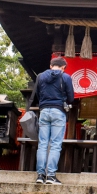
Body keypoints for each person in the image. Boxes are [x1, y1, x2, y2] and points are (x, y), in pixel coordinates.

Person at [32, 57, 74, 185]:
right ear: (63, 67)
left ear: (51, 66)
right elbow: (71, 97)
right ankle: (51, 176)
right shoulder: (65, 77)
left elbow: (37, 94)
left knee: (43, 144)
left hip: (44, 111)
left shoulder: (40, 76)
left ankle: (40, 175)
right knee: (55, 144)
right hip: (58, 111)